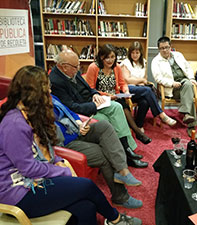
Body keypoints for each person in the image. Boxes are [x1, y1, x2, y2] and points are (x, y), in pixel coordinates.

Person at [0, 65, 142, 225]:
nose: (50, 93)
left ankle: (113, 218)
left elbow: (45, 149)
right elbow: (28, 168)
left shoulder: (29, 114)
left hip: (32, 182)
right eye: (46, 88)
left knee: (86, 207)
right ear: (35, 93)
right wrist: (61, 170)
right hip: (19, 192)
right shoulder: (14, 124)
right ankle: (115, 219)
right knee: (87, 186)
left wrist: (57, 160)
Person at [49, 49, 148, 168]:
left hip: (92, 102)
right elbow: (71, 107)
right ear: (64, 67)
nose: (78, 69)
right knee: (106, 119)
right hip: (83, 110)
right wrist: (94, 105)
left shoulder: (72, 71)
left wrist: (95, 94)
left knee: (117, 106)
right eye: (76, 67)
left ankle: (127, 149)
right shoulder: (55, 81)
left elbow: (89, 87)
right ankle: (125, 154)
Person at [52, 93, 143, 208]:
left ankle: (123, 171)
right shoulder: (35, 110)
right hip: (65, 143)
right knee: (103, 152)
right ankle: (120, 197)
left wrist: (81, 124)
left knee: (104, 125)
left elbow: (70, 112)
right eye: (46, 85)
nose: (50, 88)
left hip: (76, 130)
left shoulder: (51, 97)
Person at [85, 44, 151, 144]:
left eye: (112, 57)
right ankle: (137, 133)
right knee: (121, 106)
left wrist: (126, 91)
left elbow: (122, 83)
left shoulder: (117, 67)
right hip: (100, 98)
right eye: (107, 57)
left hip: (115, 96)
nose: (110, 60)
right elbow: (90, 88)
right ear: (101, 57)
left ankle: (136, 133)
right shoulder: (93, 67)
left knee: (124, 106)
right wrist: (108, 96)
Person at [120, 41, 177, 129]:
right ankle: (161, 114)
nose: (135, 55)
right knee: (147, 90)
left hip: (140, 90)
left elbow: (145, 79)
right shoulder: (125, 63)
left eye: (137, 52)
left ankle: (139, 125)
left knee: (145, 102)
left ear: (140, 53)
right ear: (130, 53)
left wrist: (141, 81)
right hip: (127, 91)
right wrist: (141, 80)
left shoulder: (143, 62)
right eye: (133, 53)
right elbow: (127, 80)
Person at [151, 36, 197, 137]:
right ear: (158, 49)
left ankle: (187, 115)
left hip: (184, 82)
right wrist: (171, 83)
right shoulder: (156, 61)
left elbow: (188, 68)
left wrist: (192, 78)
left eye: (167, 47)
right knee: (189, 92)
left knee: (188, 84)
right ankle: (190, 124)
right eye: (162, 48)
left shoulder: (178, 55)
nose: (165, 50)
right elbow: (158, 78)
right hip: (172, 88)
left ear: (170, 46)